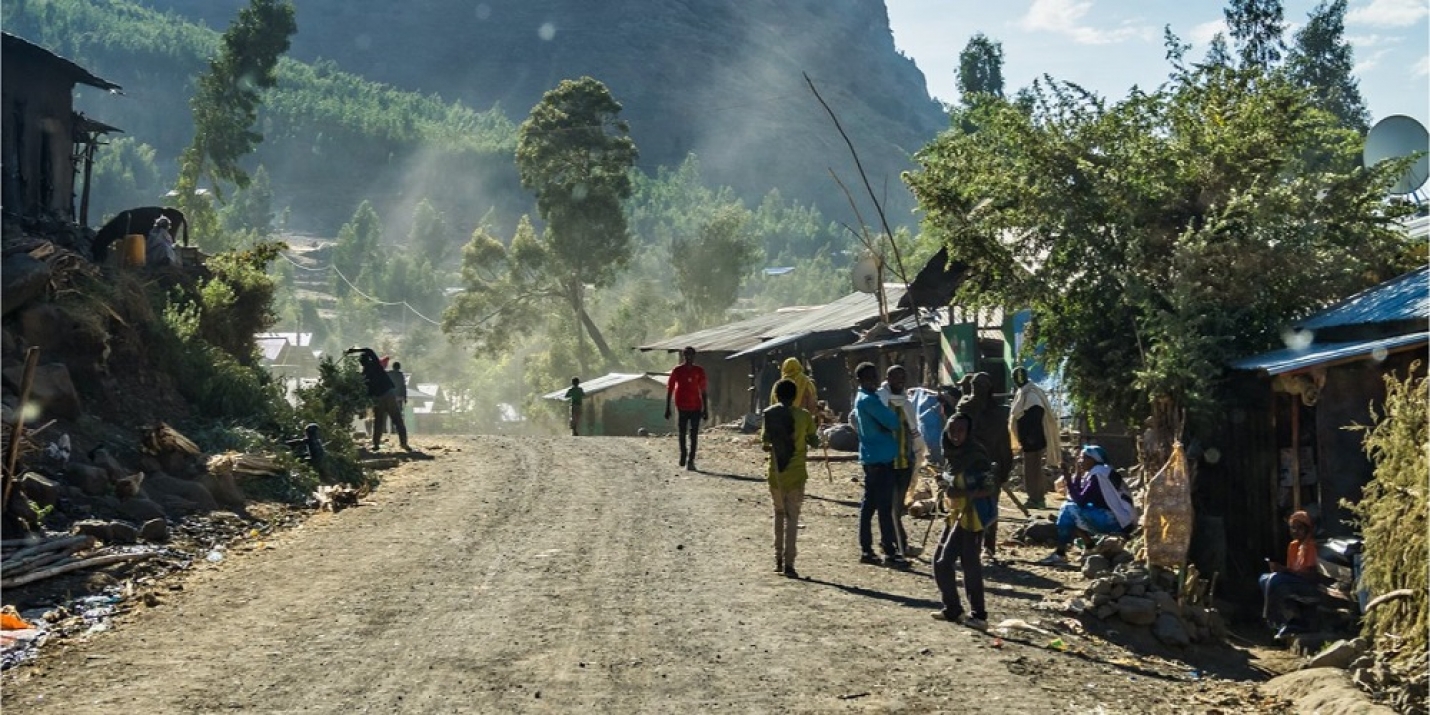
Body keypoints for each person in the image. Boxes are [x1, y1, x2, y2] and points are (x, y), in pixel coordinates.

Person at [930, 411, 995, 629]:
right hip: (955, 514)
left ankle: (978, 615)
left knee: (951, 562)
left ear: (969, 432)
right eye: (952, 431)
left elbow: (989, 487)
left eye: (961, 431)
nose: (956, 435)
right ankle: (953, 610)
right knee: (942, 561)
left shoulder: (976, 456)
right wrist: (943, 483)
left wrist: (963, 494)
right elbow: (952, 482)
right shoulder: (951, 455)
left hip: (972, 515)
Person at [853, 362, 910, 568]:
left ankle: (867, 549)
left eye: (874, 377)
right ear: (859, 380)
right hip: (880, 459)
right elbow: (893, 422)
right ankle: (889, 550)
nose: (872, 381)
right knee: (883, 507)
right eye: (868, 378)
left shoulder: (864, 398)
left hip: (873, 457)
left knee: (869, 505)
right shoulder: (870, 401)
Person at [1039, 445, 1137, 565]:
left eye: (1084, 458)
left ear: (1094, 460)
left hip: (1115, 521)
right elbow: (1079, 496)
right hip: (1120, 520)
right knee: (1071, 511)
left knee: (1068, 509)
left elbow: (1080, 500)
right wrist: (1077, 475)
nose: (1080, 461)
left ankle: (1060, 553)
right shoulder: (1101, 471)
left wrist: (1069, 480)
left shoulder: (1098, 474)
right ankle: (1089, 546)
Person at [761, 378, 819, 578]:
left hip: (776, 473)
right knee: (792, 518)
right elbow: (815, 441)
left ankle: (777, 558)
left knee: (778, 513)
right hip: (796, 474)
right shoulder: (804, 416)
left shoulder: (769, 415)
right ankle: (790, 563)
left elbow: (765, 442)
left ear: (776, 395)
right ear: (795, 396)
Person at [956, 372, 1013, 563]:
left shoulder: (996, 413)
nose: (976, 391)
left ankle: (987, 547)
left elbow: (1004, 443)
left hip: (989, 467)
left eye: (980, 387)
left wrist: (1004, 468)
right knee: (966, 505)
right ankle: (968, 546)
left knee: (989, 507)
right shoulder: (965, 408)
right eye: (975, 387)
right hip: (970, 466)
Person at [1259, 511, 1321, 638]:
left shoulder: (1310, 546)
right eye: (1293, 528)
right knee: (1264, 579)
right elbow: (1291, 570)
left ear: (1307, 529)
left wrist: (1286, 571)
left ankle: (1282, 620)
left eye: (1299, 528)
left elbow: (1311, 576)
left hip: (1309, 587)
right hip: (1295, 582)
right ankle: (1283, 620)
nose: (1295, 531)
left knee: (1276, 580)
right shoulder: (1293, 546)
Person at [1008, 367, 1062, 509]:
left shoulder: (1032, 395)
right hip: (1028, 440)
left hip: (1034, 440)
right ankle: (1035, 497)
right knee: (1030, 469)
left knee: (1034, 470)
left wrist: (1031, 437)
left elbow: (1035, 416)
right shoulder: (1024, 392)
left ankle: (1037, 499)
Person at [345, 346, 410, 452]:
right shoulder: (376, 365)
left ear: (362, 363)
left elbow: (365, 393)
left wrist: (363, 409)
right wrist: (354, 351)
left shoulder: (364, 376)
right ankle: (404, 443)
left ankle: (376, 445)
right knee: (397, 419)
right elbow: (369, 350)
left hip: (378, 399)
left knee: (378, 422)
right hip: (389, 394)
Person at [665, 346, 709, 471]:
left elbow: (704, 390)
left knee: (694, 434)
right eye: (687, 355)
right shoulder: (678, 370)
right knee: (682, 432)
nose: (689, 358)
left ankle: (691, 460)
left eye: (691, 355)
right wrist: (667, 407)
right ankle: (683, 453)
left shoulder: (699, 371)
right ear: (684, 356)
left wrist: (706, 409)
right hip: (682, 406)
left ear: (694, 357)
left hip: (696, 406)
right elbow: (670, 389)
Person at [387, 360, 408, 434]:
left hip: (390, 397)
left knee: (391, 413)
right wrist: (405, 398)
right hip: (399, 397)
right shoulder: (400, 375)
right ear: (399, 367)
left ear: (393, 367)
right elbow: (403, 387)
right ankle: (397, 429)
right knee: (398, 413)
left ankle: (392, 429)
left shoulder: (389, 374)